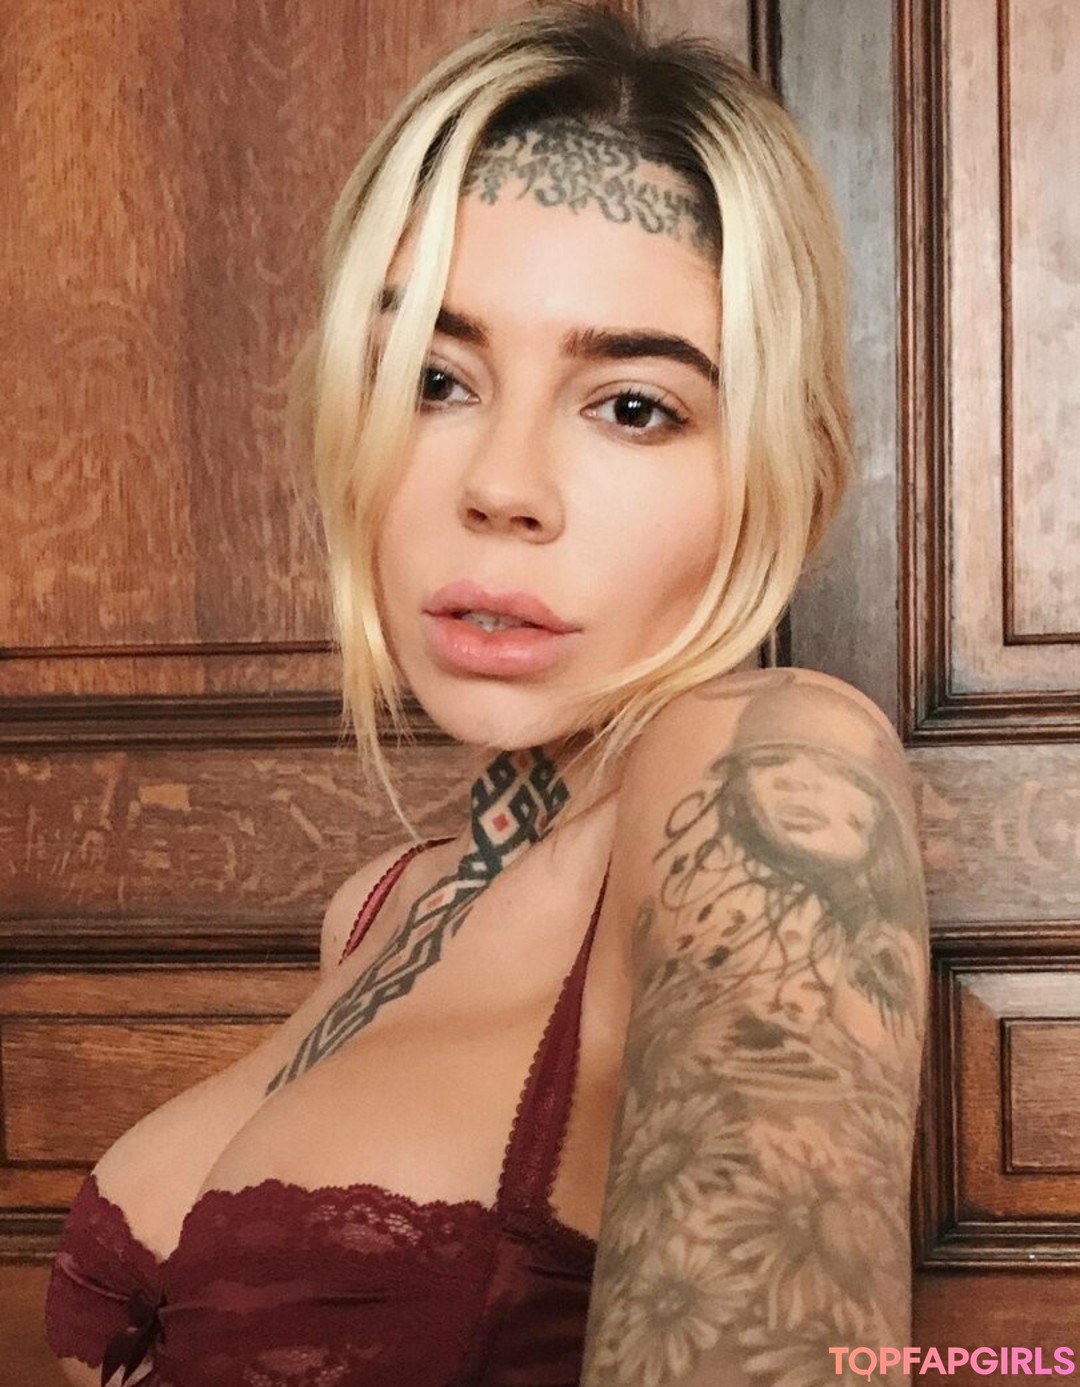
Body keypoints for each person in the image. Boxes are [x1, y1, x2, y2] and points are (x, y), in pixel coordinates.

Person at [45, 3, 928, 1385]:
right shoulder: (378, 908)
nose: (502, 486)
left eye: (632, 405)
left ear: (775, 466)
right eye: (435, 379)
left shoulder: (769, 774)